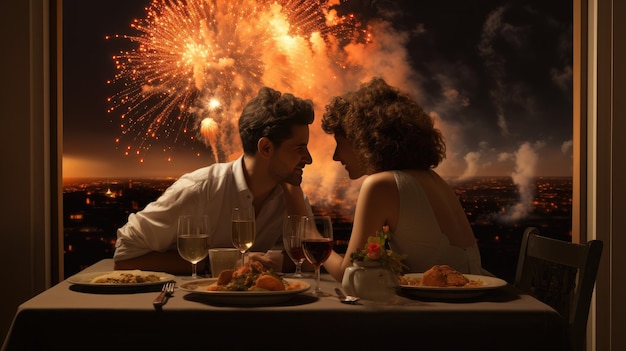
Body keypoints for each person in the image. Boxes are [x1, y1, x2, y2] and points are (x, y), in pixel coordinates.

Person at [113, 86, 315, 275]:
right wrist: (215, 264)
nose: (308, 159)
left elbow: (306, 260)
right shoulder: (199, 190)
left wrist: (268, 262)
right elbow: (124, 255)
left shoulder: (292, 198)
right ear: (266, 148)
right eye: (299, 149)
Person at [319, 77, 484, 282]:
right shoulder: (432, 179)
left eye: (339, 142)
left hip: (449, 310)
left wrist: (312, 238)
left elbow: (349, 275)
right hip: (474, 301)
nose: (335, 156)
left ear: (361, 140)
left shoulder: (381, 185)